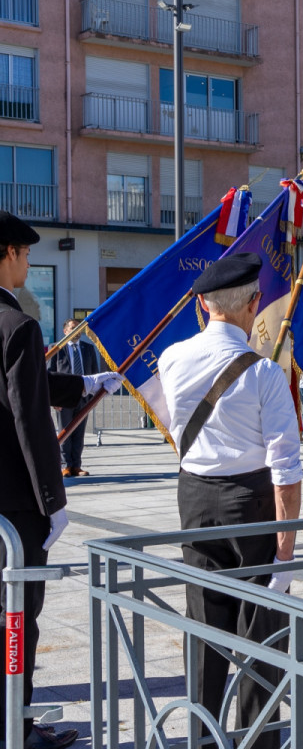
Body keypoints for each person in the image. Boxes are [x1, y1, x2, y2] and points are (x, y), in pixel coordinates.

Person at [157, 253, 302, 749]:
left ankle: (202, 737)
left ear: (202, 305)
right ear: (254, 305)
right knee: (259, 631)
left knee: (203, 625)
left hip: (194, 495)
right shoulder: (265, 374)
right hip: (251, 501)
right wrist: (286, 550)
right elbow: (285, 470)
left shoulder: (171, 358)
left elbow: (172, 425)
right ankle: (258, 740)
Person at [0, 211, 121, 749]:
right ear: (6, 253)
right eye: (24, 254)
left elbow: (28, 385)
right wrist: (53, 501)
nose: (27, 262)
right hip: (13, 506)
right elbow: (27, 416)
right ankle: (17, 730)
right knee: (18, 620)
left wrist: (84, 384)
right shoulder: (17, 325)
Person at [47, 319, 100, 477]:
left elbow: (94, 373)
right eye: (73, 328)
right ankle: (65, 466)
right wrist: (53, 399)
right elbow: (49, 374)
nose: (76, 331)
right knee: (65, 431)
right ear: (65, 331)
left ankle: (76, 465)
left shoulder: (88, 349)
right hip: (63, 398)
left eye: (79, 328)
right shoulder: (56, 349)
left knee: (79, 433)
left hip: (84, 397)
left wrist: (93, 397)